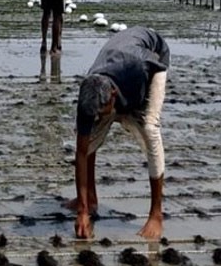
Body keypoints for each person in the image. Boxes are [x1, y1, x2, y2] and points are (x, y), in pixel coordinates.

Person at [69, 26, 170, 240]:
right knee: (89, 135)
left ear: (113, 96)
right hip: (114, 70)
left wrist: (131, 111)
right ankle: (89, 200)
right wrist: (82, 212)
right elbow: (80, 151)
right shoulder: (90, 91)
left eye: (101, 112)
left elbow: (156, 62)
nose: (97, 117)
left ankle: (156, 214)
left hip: (153, 62)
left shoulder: (136, 67)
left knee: (150, 130)